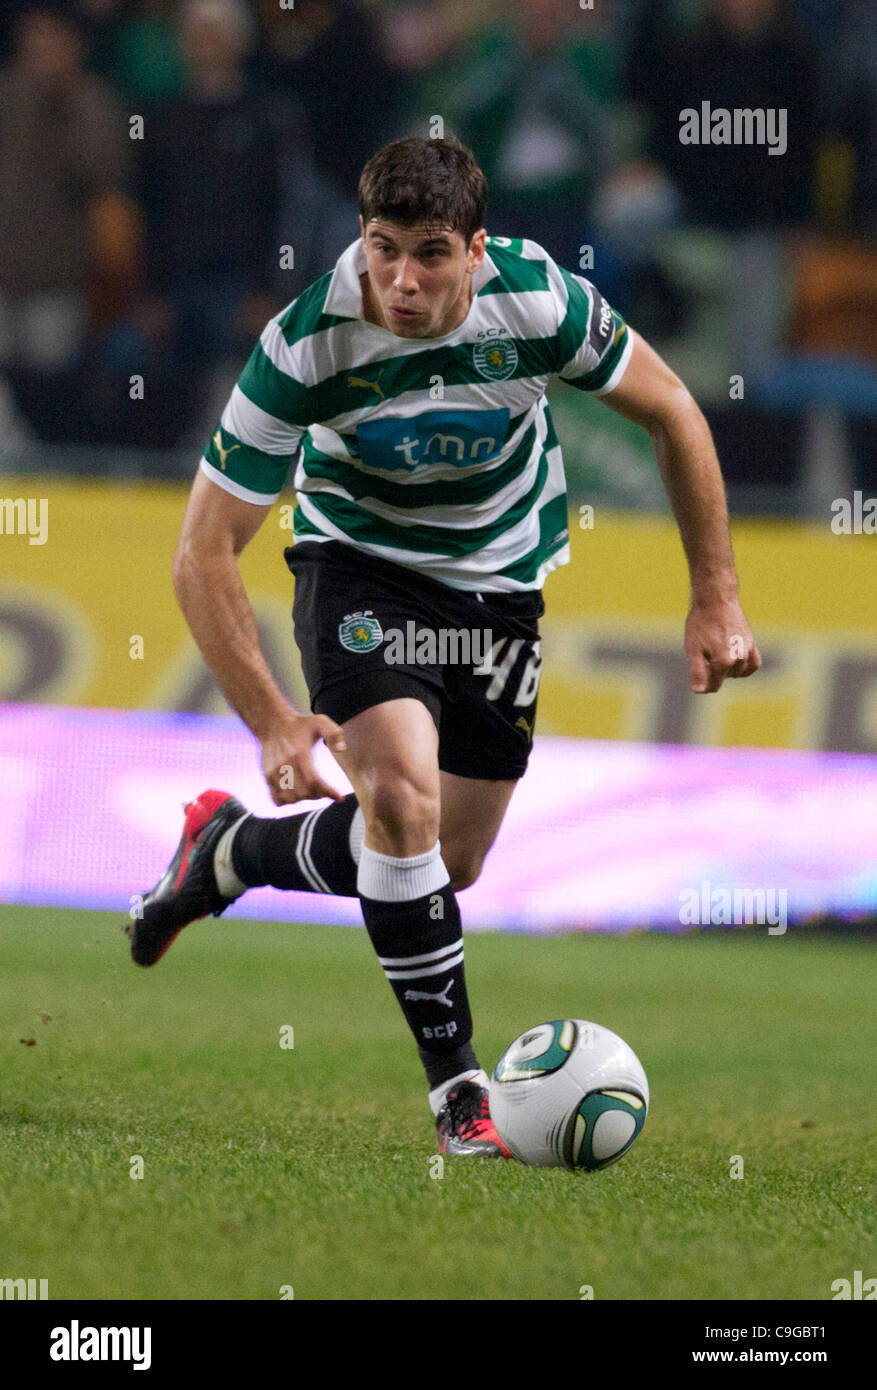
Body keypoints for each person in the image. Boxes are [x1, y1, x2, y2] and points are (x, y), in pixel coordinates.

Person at [126, 136, 761, 1158]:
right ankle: (460, 1095)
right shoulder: (307, 340)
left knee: (443, 861)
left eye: (428, 253)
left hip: (500, 584)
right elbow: (202, 551)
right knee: (401, 801)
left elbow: (674, 411)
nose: (402, 280)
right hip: (358, 569)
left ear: (475, 249)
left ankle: (230, 850)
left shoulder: (539, 300)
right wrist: (275, 718)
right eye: (382, 249)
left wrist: (714, 598)